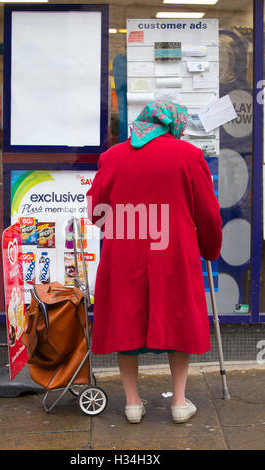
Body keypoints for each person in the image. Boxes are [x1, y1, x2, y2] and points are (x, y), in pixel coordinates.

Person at [86, 99, 222, 424]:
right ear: (173, 123)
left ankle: (132, 404)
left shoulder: (113, 157)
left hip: (124, 252)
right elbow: (208, 213)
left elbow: (95, 211)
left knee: (126, 319)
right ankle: (178, 401)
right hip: (174, 252)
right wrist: (209, 248)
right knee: (177, 319)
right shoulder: (188, 156)